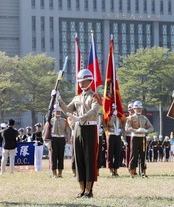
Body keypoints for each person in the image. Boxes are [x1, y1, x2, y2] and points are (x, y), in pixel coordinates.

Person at [57, 68, 101, 197]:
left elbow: (94, 111)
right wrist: (59, 99)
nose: (81, 83)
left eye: (84, 81)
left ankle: (89, 190)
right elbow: (67, 110)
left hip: (89, 128)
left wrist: (80, 118)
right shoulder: (76, 98)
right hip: (78, 129)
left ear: (90, 81)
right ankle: (81, 189)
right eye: (80, 81)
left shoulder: (95, 96)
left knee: (89, 158)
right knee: (79, 159)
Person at [125, 100, 154, 178]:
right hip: (134, 137)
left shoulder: (144, 118)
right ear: (134, 109)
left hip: (142, 138)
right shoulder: (130, 118)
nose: (139, 110)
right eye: (137, 109)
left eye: (140, 109)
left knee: (143, 155)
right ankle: (132, 172)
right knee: (133, 155)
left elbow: (151, 127)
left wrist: (146, 130)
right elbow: (127, 128)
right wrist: (135, 130)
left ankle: (143, 172)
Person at [48, 103, 70, 178]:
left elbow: (67, 131)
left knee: (61, 156)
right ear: (54, 112)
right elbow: (48, 131)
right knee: (54, 156)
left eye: (59, 112)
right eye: (56, 112)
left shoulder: (64, 121)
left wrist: (67, 139)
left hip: (61, 139)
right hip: (54, 139)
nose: (58, 113)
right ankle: (54, 173)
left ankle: (60, 172)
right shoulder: (51, 120)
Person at [105, 111, 124, 177]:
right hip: (111, 135)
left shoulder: (119, 117)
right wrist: (113, 115)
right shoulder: (109, 116)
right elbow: (109, 124)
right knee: (110, 153)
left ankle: (116, 169)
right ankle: (111, 169)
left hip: (118, 135)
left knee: (117, 153)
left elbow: (122, 126)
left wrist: (120, 130)